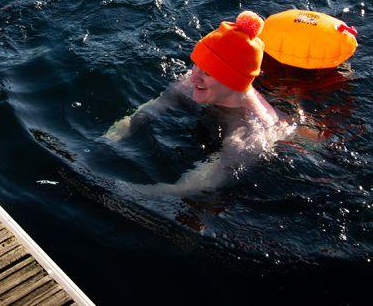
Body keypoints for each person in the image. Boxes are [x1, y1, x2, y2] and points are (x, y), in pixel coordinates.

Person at [103, 11, 294, 195]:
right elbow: (153, 107)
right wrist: (107, 140)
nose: (193, 77)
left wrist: (127, 191)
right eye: (197, 64)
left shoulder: (250, 130)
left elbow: (195, 185)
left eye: (207, 73)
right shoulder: (191, 81)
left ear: (233, 82)